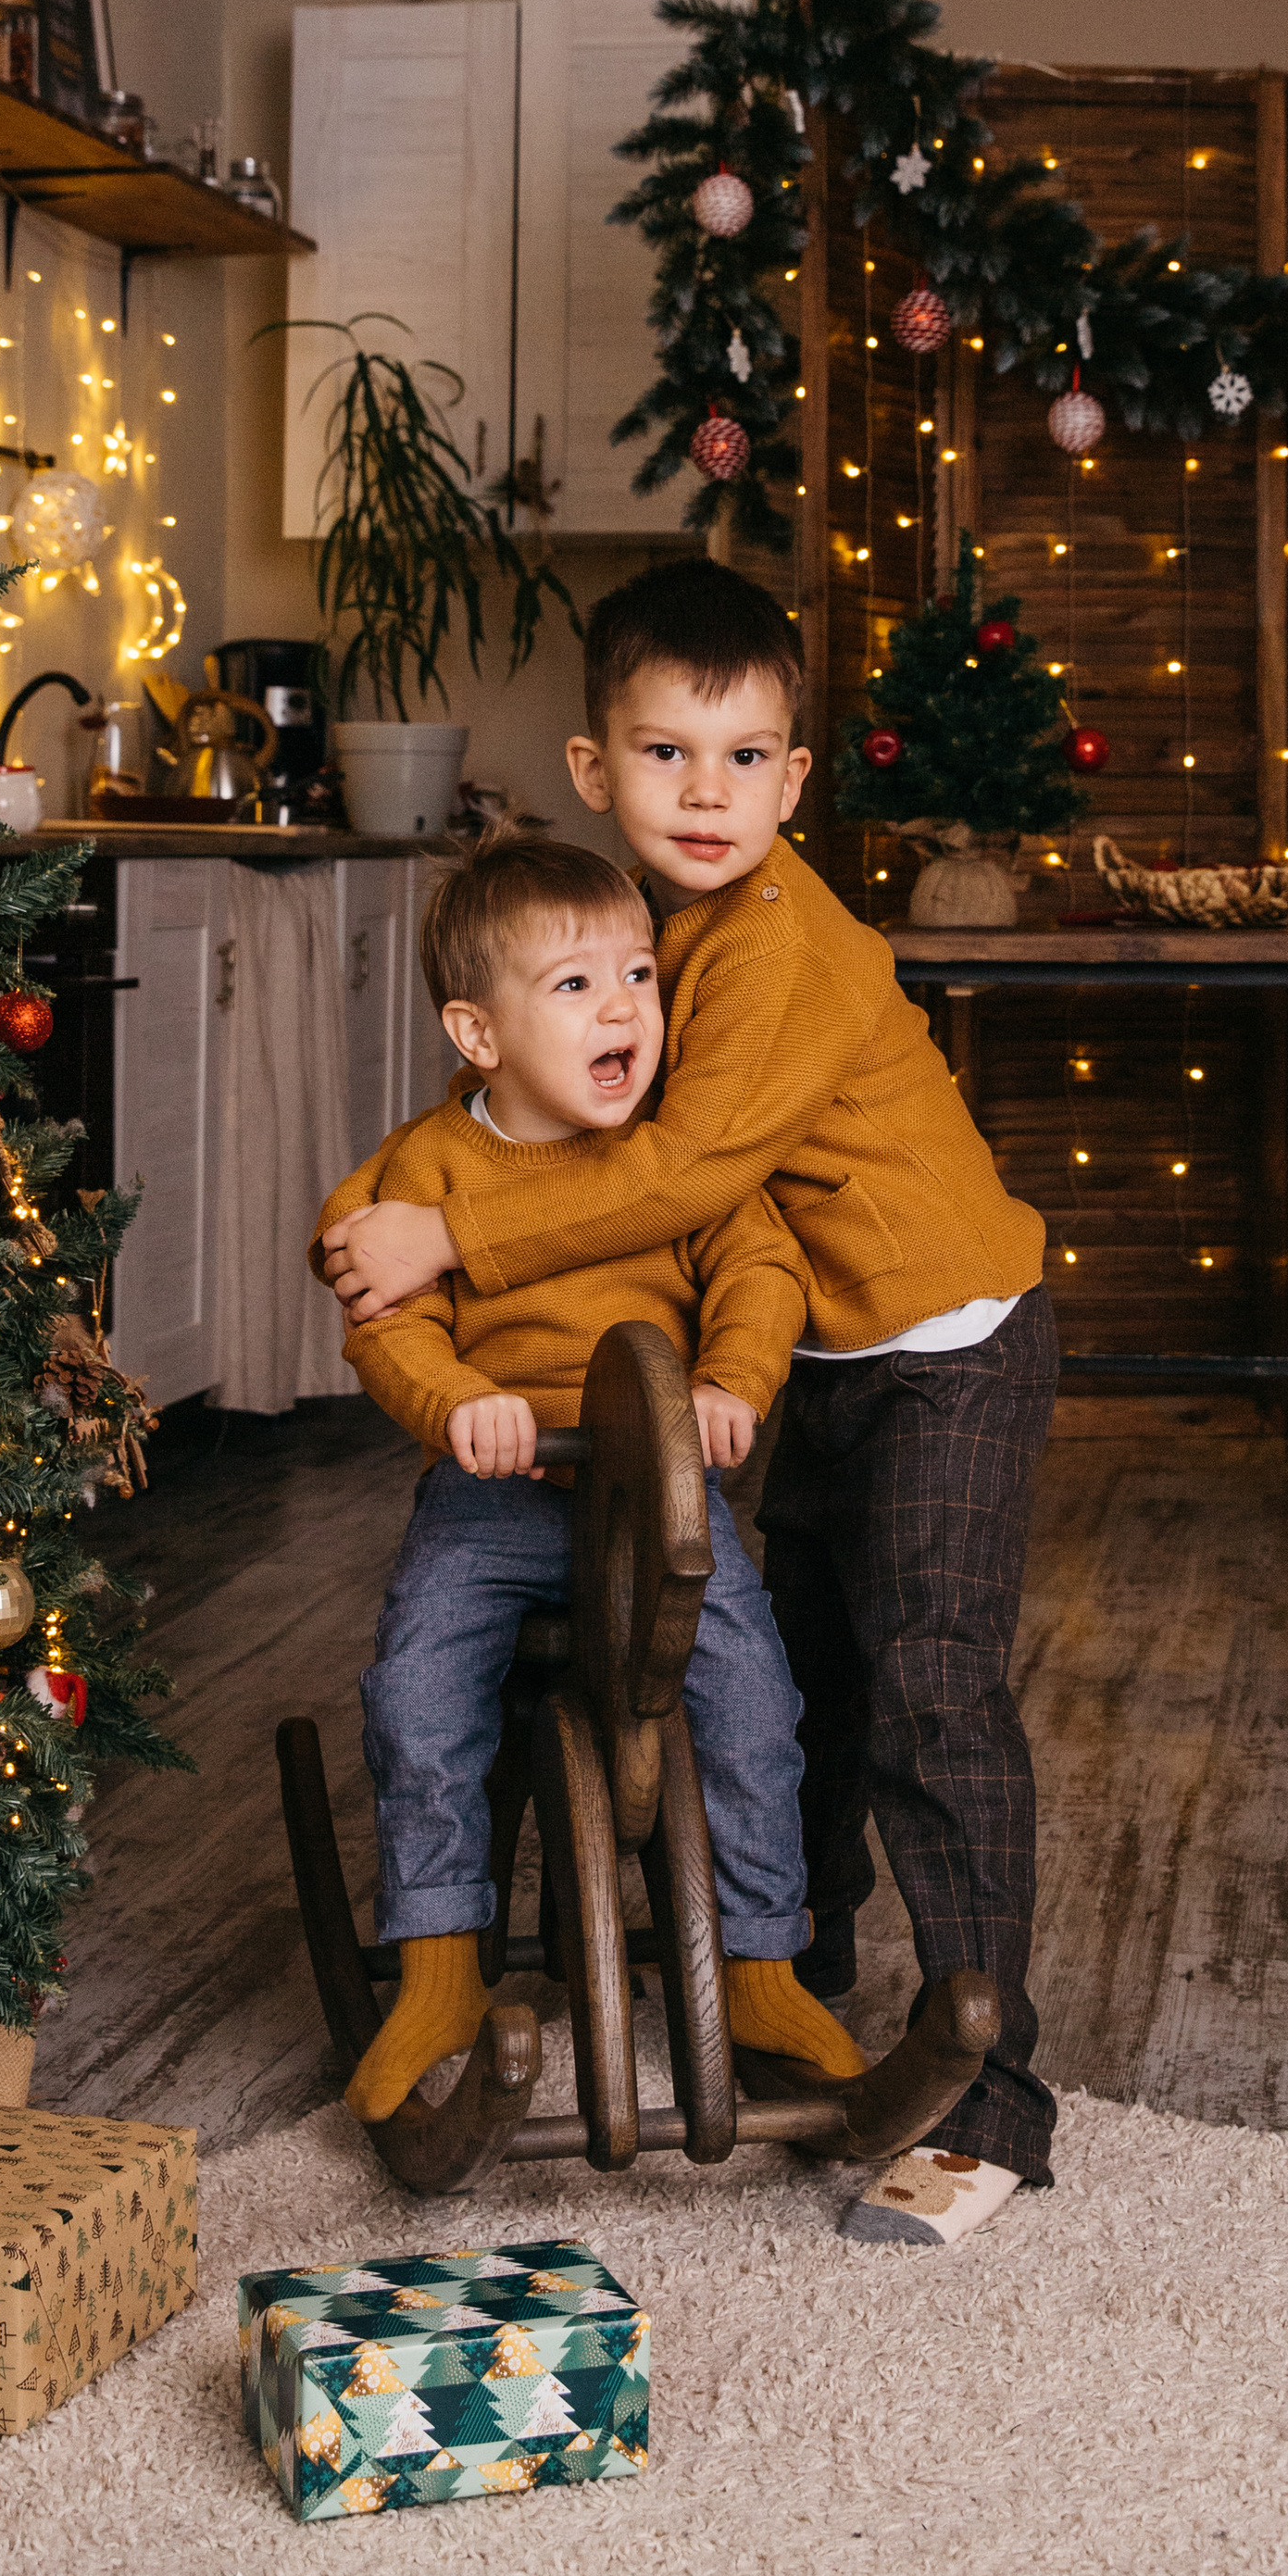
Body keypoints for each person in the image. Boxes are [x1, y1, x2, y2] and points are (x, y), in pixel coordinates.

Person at [321, 561, 1057, 2247]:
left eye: (744, 761)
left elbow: (687, 1175)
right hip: (813, 1357)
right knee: (793, 1664)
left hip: (947, 1339)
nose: (705, 796)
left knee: (930, 1687)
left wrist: (450, 1229)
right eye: (666, 757)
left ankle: (992, 2098)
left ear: (797, 783)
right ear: (599, 773)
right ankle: (788, 1974)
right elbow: (548, 1089)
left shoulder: (779, 940)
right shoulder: (647, 936)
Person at [316, 827, 867, 2124]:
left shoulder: (676, 1156)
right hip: (498, 1490)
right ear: (481, 1032)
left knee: (752, 1696)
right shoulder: (427, 1169)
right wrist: (462, 1408)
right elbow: (383, 1316)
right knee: (418, 1687)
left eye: (640, 975)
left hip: (663, 1494)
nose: (624, 1007)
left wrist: (734, 1383)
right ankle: (441, 1961)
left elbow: (760, 1267)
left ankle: (761, 1957)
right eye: (575, 987)